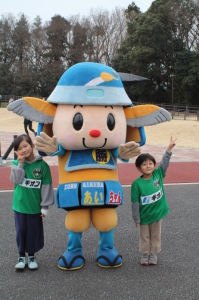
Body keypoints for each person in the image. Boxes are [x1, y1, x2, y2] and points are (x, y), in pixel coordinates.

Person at [10, 134, 54, 270]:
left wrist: (44, 207)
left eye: (25, 146)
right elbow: (16, 180)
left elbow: (46, 187)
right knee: (21, 231)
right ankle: (21, 256)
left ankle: (32, 256)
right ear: (16, 151)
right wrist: (21, 163)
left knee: (33, 232)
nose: (23, 149)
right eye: (19, 148)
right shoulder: (16, 164)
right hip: (20, 206)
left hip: (34, 207)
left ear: (32, 145)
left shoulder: (42, 166)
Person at [131, 137, 177, 266]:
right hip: (144, 216)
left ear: (154, 165)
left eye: (150, 163)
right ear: (139, 168)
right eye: (144, 164)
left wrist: (169, 149)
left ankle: (154, 254)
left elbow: (165, 162)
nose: (148, 166)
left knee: (156, 236)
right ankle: (144, 254)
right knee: (144, 237)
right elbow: (134, 202)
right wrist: (136, 218)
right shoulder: (136, 184)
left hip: (157, 214)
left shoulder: (158, 174)